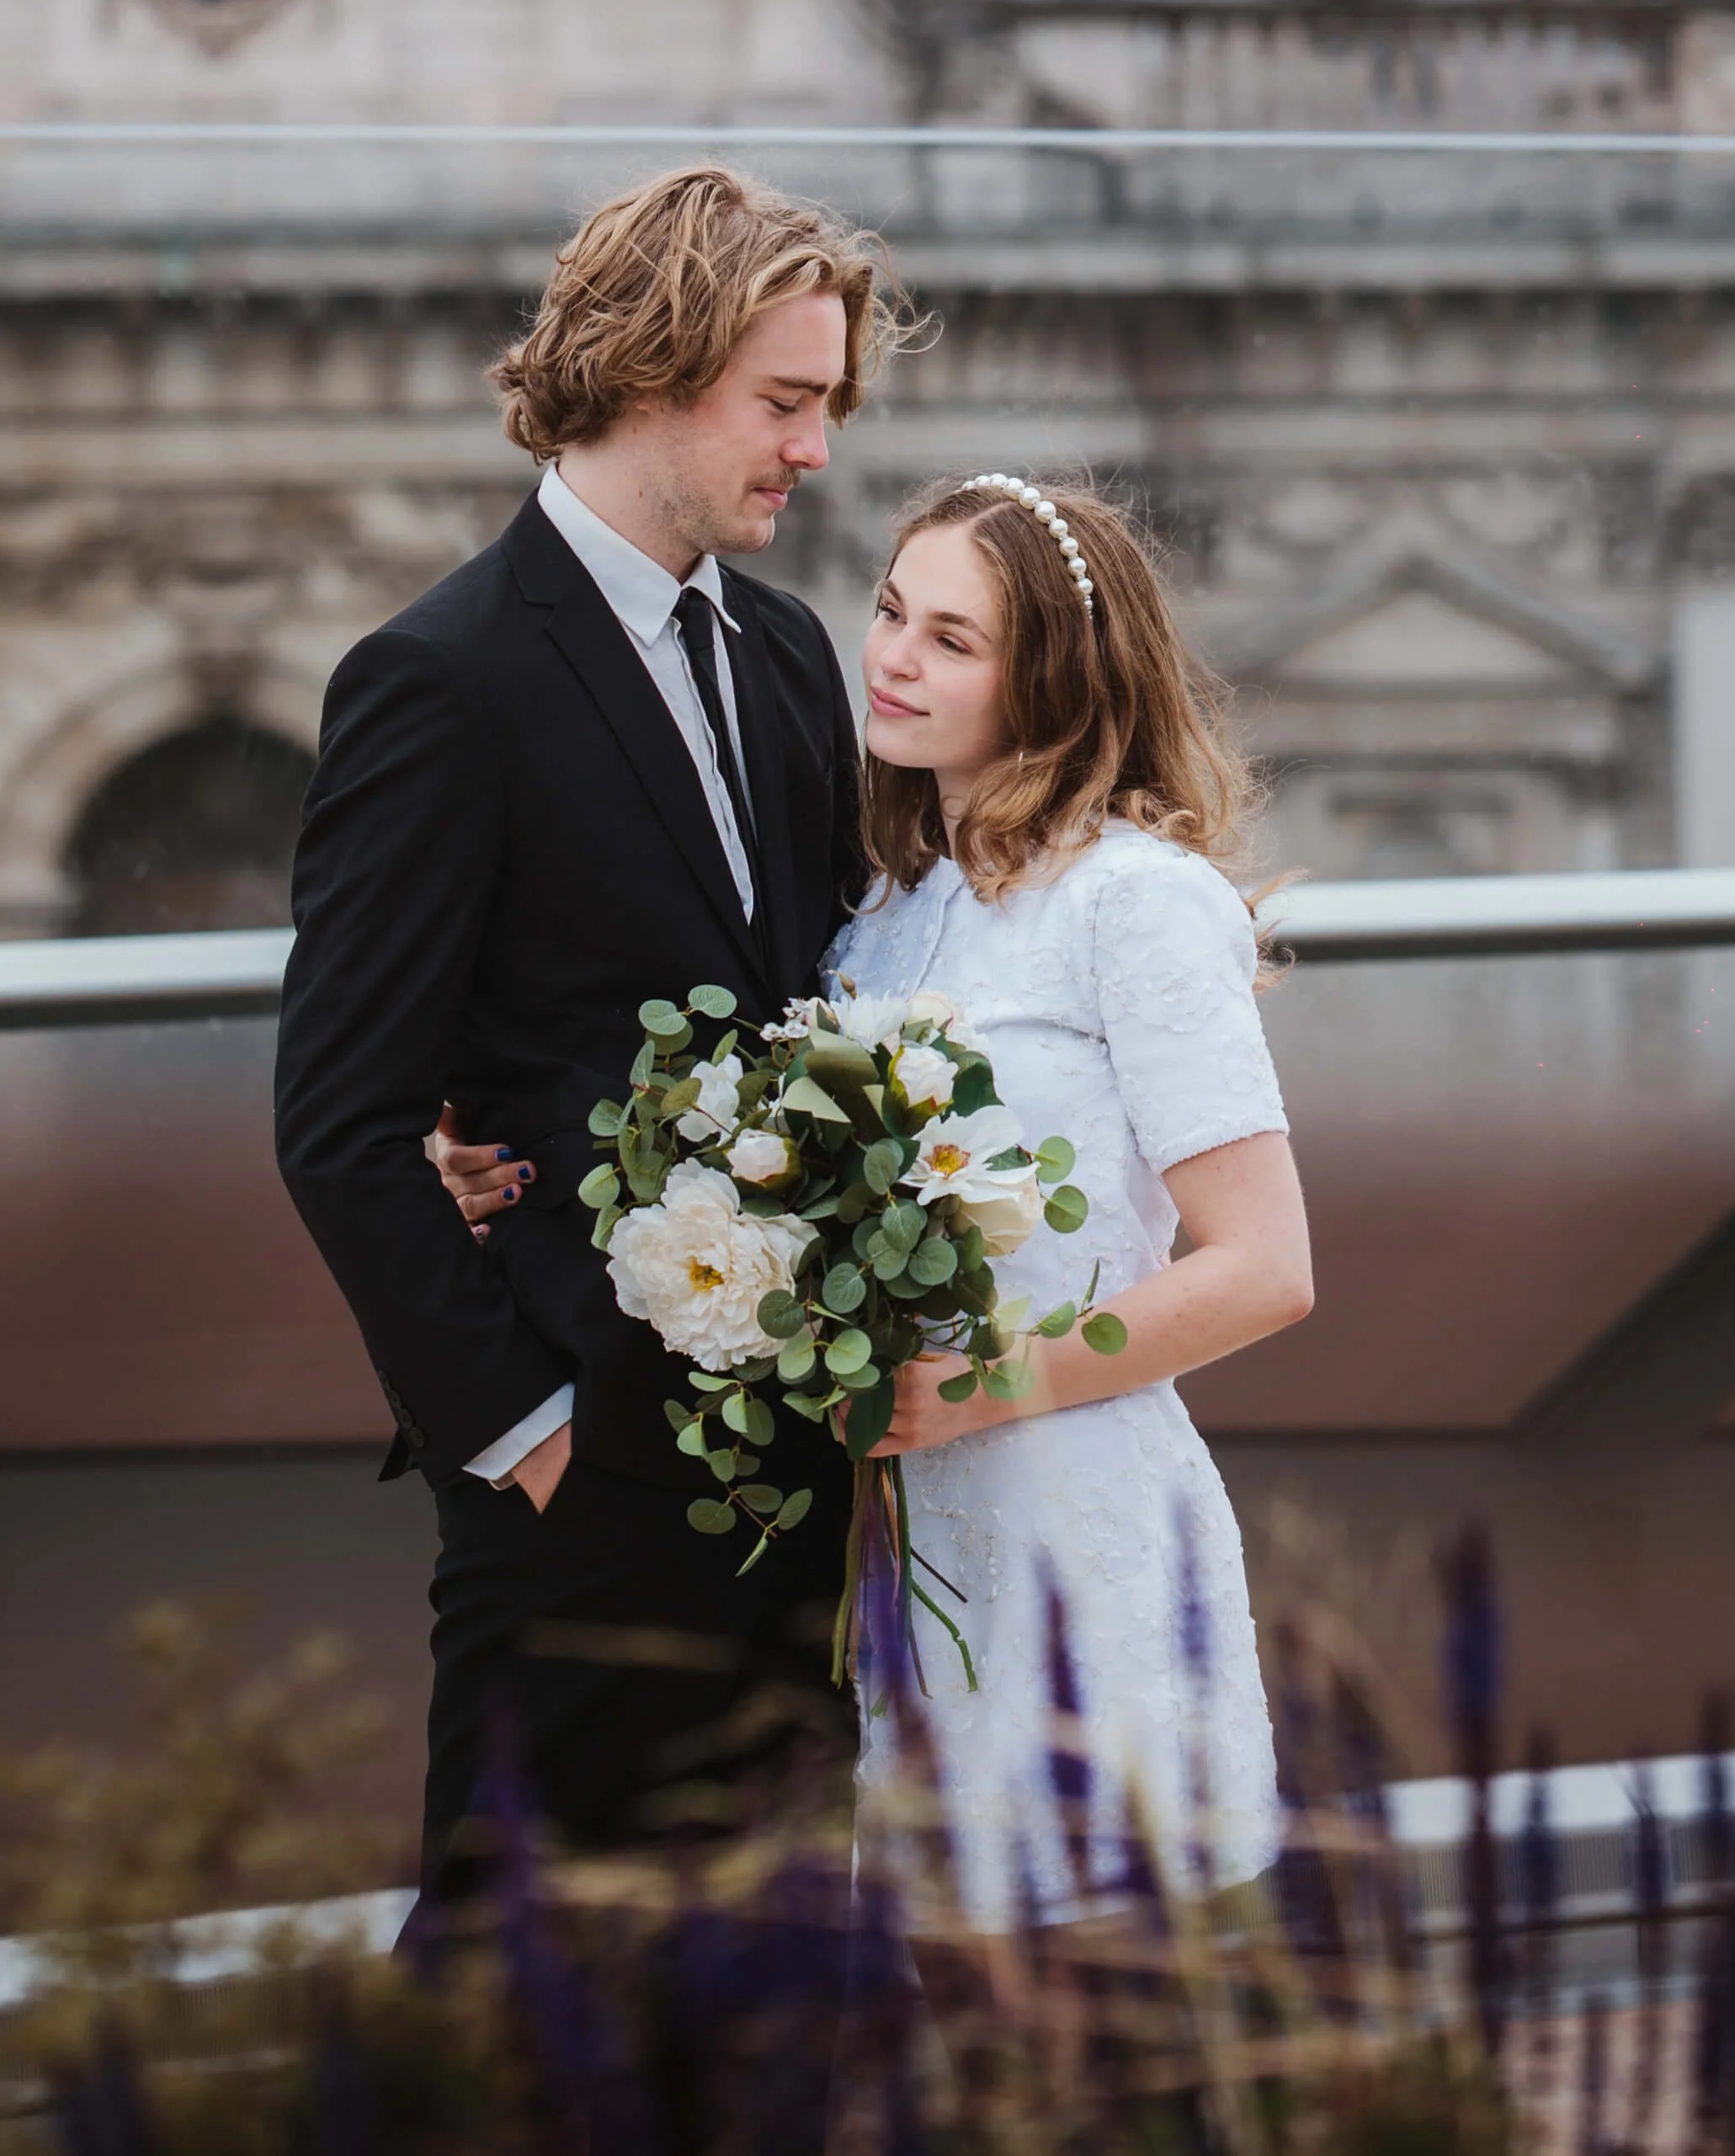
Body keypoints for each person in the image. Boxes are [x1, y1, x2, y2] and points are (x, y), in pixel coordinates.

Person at [444, 469, 1314, 1935]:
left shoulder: (1138, 899)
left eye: (953, 639)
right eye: (891, 611)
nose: (894, 658)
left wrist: (982, 1388)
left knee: (1104, 2051)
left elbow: (1264, 1267)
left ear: (1052, 676)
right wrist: (474, 1151)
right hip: (886, 1566)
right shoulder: (884, 911)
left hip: (1070, 1532)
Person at [274, 167, 905, 1909]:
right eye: (786, 402)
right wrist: (529, 1435)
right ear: (651, 368)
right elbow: (340, 1122)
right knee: (509, 2012)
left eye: (825, 406)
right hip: (572, 1493)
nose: (815, 450)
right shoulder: (439, 679)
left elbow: (826, 1002)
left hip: (796, 1472)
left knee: (772, 2012)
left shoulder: (784, 656)